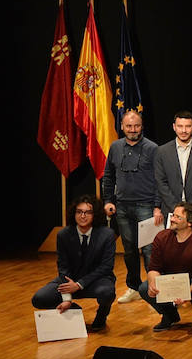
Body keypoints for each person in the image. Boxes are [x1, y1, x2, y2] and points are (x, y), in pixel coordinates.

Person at [32, 195, 116, 331]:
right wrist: (67, 298)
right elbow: (63, 267)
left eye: (88, 212)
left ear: (95, 215)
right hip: (69, 281)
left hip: (96, 281)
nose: (83, 216)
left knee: (107, 292)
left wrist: (79, 284)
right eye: (79, 212)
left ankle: (101, 317)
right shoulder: (63, 235)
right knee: (39, 298)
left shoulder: (107, 234)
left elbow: (106, 267)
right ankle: (76, 312)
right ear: (74, 213)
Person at [102, 110, 160, 303]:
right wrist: (108, 200)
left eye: (136, 126)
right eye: (129, 126)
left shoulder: (153, 148)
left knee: (150, 250)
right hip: (122, 207)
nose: (133, 129)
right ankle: (133, 287)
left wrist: (157, 206)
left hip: (147, 205)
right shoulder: (115, 147)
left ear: (141, 126)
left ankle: (155, 289)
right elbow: (108, 177)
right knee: (129, 250)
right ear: (122, 126)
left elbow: (161, 179)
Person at [139, 202, 192, 331]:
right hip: (172, 278)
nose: (172, 219)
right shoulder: (161, 237)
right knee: (144, 288)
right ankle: (170, 315)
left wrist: (186, 292)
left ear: (189, 223)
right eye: (173, 215)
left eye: (177, 217)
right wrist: (153, 283)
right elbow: (154, 268)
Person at [154, 110, 192, 220]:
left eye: (188, 126)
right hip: (171, 210)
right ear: (174, 127)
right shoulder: (162, 151)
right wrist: (176, 208)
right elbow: (161, 182)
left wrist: (189, 208)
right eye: (180, 126)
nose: (184, 130)